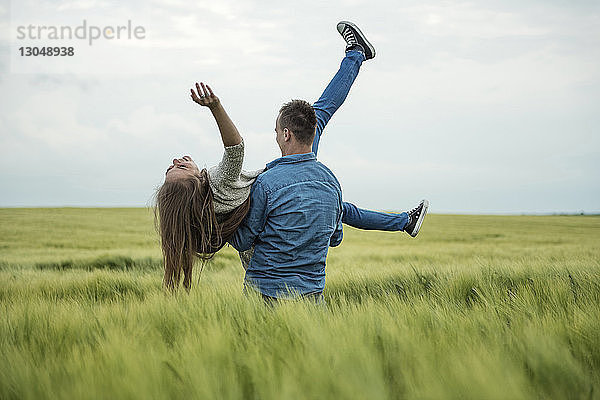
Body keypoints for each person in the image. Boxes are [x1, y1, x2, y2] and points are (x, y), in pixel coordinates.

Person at [155, 21, 429, 293]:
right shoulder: (217, 183)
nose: (179, 160)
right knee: (319, 128)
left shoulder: (199, 207)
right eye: (178, 168)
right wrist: (215, 106)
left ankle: (405, 221)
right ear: (192, 183)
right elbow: (235, 149)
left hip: (274, 224)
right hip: (280, 192)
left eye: (172, 164)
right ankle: (356, 53)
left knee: (339, 204)